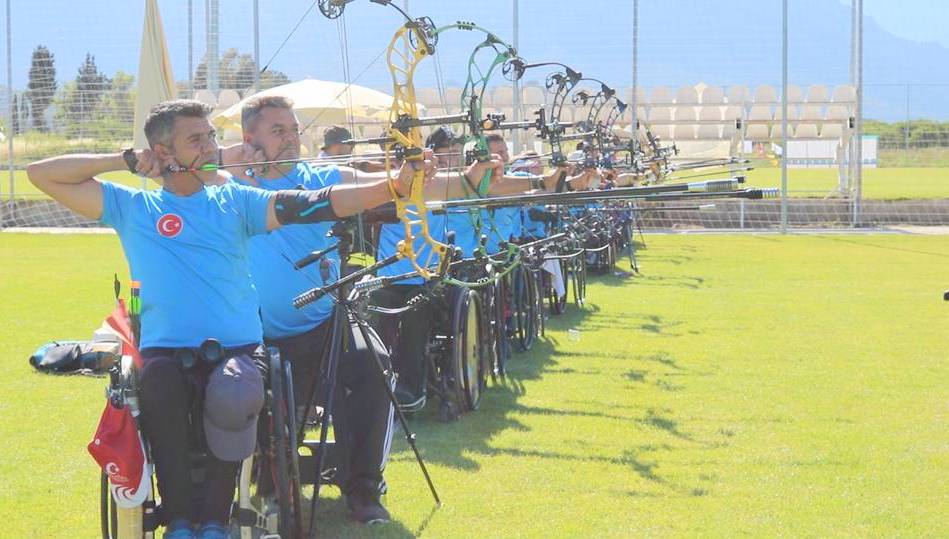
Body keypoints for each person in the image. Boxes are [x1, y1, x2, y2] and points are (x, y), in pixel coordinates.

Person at [26, 99, 431, 539]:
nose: (211, 147)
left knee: (235, 391)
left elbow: (315, 203)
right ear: (163, 153)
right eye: (195, 139)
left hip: (237, 350)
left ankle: (217, 521)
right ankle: (180, 519)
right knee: (159, 387)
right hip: (166, 350)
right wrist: (120, 160)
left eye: (211, 136)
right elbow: (40, 175)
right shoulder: (133, 207)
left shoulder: (234, 201)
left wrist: (393, 185)